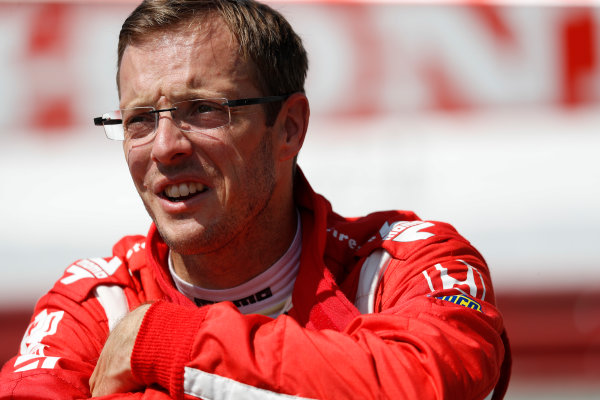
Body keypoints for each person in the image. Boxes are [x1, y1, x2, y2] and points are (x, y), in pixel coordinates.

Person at [0, 0, 510, 398]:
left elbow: (430, 386)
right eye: (138, 120)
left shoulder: (405, 262)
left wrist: (165, 344)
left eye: (201, 110)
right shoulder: (96, 304)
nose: (165, 147)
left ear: (289, 127)